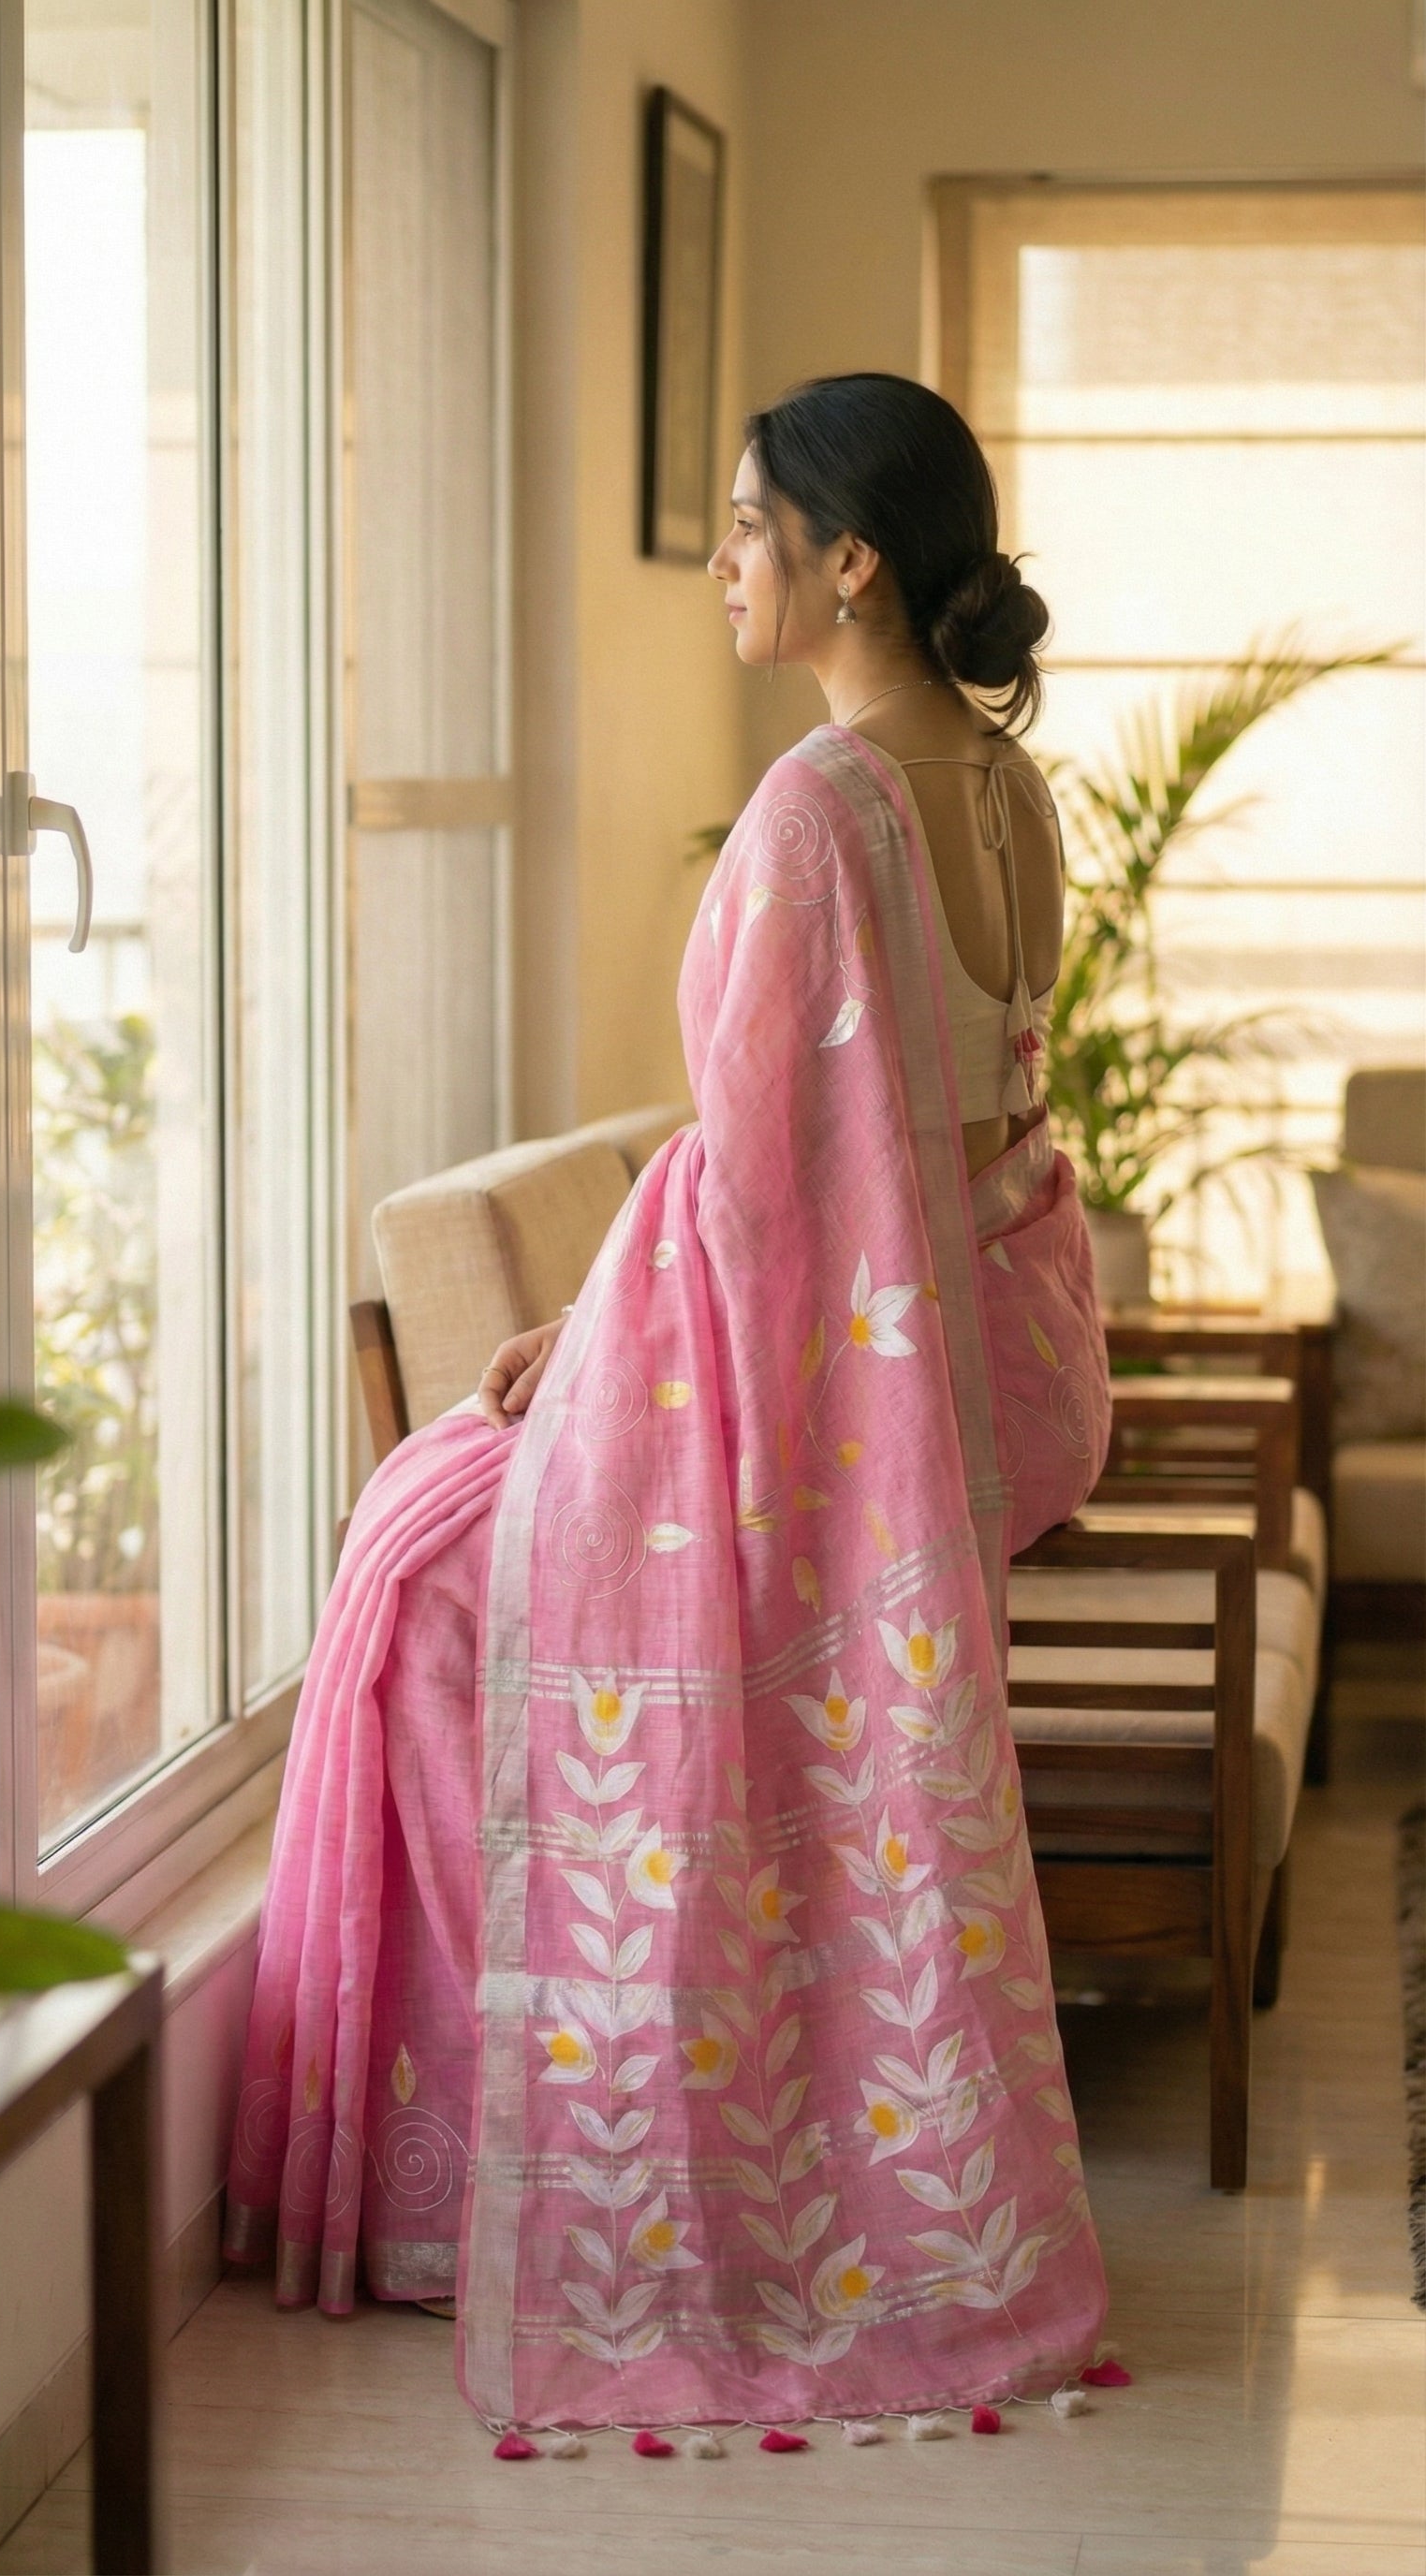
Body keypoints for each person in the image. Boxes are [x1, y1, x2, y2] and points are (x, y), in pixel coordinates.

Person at [226, 373, 1114, 2445]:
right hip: (977, 1370)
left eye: (745, 527)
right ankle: (643, 2154)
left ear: (849, 561)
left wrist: (585, 1339)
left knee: (423, 1576)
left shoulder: (822, 808)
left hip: (856, 1398)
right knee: (445, 1522)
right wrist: (603, 1327)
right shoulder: (1008, 788)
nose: (721, 562)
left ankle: (557, 2191)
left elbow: (764, 1183)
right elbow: (932, 1135)